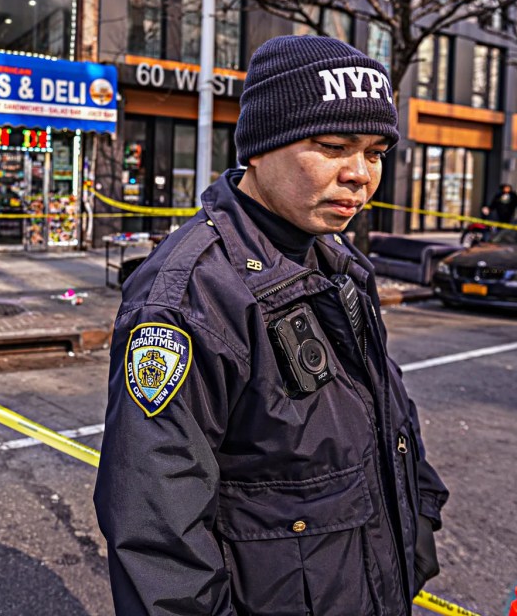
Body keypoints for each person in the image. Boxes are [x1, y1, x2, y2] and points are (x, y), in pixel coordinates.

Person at [94, 36, 448, 615]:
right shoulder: (189, 298)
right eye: (334, 145)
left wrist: (418, 525)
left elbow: (388, 422)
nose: (360, 174)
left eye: (377, 151)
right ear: (260, 148)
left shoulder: (338, 260)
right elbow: (158, 539)